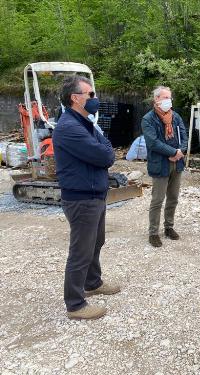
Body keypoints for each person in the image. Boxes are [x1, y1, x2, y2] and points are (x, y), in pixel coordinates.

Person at [52, 76, 119, 320]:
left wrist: (105, 149)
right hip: (81, 198)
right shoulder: (69, 128)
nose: (94, 99)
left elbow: (106, 148)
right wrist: (105, 151)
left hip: (94, 194)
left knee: (96, 242)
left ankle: (92, 282)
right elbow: (106, 156)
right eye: (90, 94)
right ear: (75, 98)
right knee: (80, 251)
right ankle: (75, 304)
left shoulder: (85, 122)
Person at [142, 86, 188, 247]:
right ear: (156, 99)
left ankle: (169, 227)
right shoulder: (148, 119)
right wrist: (172, 151)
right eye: (165, 97)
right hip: (160, 163)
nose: (169, 101)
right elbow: (152, 142)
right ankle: (153, 233)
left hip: (177, 162)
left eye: (170, 97)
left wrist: (180, 151)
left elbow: (184, 135)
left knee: (173, 198)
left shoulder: (175, 117)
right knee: (157, 200)